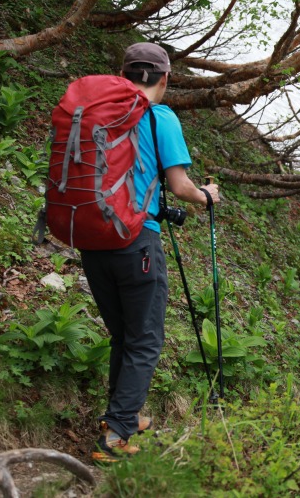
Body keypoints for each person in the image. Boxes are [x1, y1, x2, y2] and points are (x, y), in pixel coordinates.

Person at [85, 42, 221, 463]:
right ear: (164, 79)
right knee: (145, 339)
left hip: (92, 238)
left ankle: (121, 414)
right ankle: (116, 434)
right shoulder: (160, 116)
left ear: (123, 73)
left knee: (124, 335)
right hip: (136, 239)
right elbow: (180, 186)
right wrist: (208, 196)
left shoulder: (96, 112)